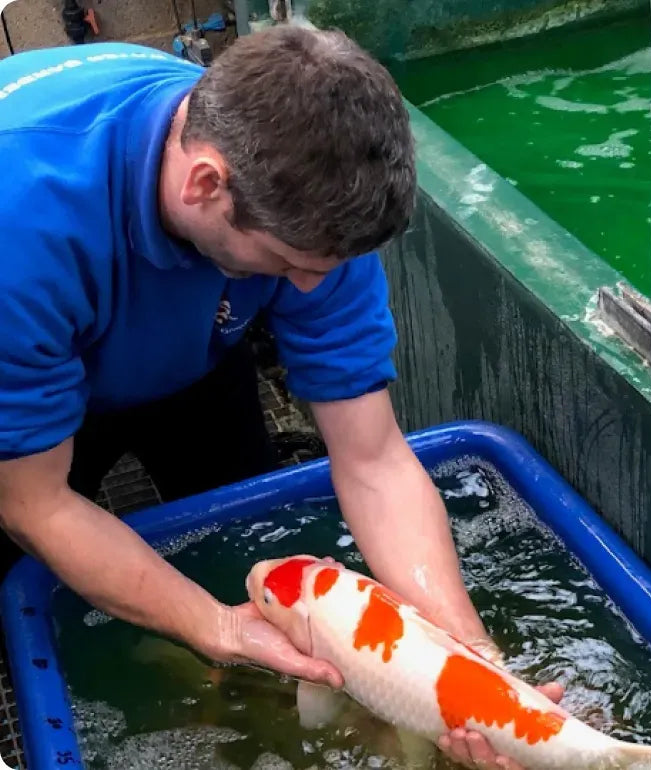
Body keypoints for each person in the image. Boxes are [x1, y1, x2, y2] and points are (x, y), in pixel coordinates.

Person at [0, 25, 562, 768]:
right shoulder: (22, 228)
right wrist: (218, 628)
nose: (308, 288)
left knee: (228, 535)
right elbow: (33, 503)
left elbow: (373, 458)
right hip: (22, 342)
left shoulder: (313, 205)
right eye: (291, 265)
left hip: (193, 338)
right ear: (206, 184)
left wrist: (470, 661)